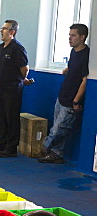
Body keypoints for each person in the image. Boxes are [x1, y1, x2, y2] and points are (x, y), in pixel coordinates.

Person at [39, 23, 90, 164]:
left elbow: (85, 81)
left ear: (82, 37)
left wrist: (76, 101)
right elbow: (73, 68)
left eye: (73, 35)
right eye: (69, 35)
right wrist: (67, 70)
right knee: (58, 126)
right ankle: (56, 154)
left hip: (71, 101)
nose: (70, 38)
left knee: (58, 130)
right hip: (62, 96)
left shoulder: (87, 55)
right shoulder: (74, 52)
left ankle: (43, 146)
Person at [0, 18, 29, 158]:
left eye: (4, 29)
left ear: (12, 32)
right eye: (2, 28)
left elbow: (25, 68)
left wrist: (21, 80)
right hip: (0, 88)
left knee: (11, 118)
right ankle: (1, 144)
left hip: (12, 88)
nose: (1, 31)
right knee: (1, 117)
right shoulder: (1, 47)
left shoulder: (17, 48)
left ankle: (11, 148)